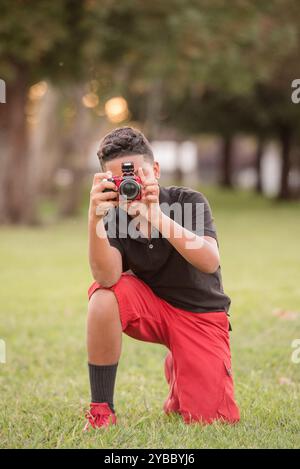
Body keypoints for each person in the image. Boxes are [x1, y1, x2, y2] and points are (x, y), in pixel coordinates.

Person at [84, 126, 240, 430]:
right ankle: (102, 410)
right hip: (152, 309)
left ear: (155, 170)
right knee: (103, 296)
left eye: (138, 176)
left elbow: (209, 261)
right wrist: (94, 220)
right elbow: (107, 277)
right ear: (107, 182)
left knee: (212, 421)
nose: (130, 185)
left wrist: (156, 216)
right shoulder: (113, 217)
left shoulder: (188, 201)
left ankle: (183, 363)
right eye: (120, 180)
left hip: (200, 315)